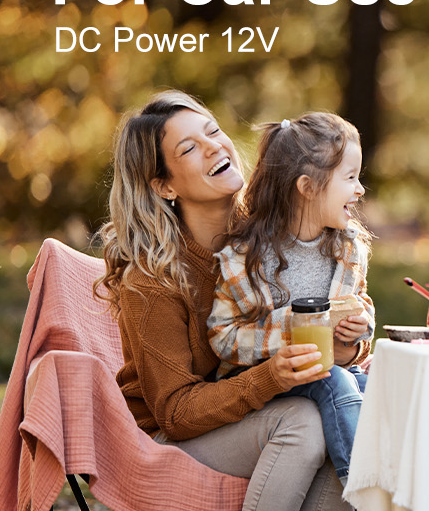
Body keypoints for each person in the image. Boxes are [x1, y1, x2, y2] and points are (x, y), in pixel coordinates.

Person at [96, 90, 351, 510]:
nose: (214, 145)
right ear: (164, 185)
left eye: (213, 130)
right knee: (303, 423)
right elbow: (175, 412)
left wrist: (344, 344)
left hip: (260, 409)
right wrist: (273, 376)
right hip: (172, 435)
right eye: (190, 148)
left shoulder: (270, 238)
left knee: (343, 414)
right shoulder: (153, 281)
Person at [208, 112, 375, 487]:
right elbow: (222, 339)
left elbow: (361, 307)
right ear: (308, 187)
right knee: (334, 381)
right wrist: (299, 327)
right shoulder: (244, 257)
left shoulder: (348, 248)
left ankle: (402, 485)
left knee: (376, 386)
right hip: (266, 381)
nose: (360, 189)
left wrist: (359, 328)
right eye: (350, 178)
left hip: (334, 370)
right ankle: (361, 488)